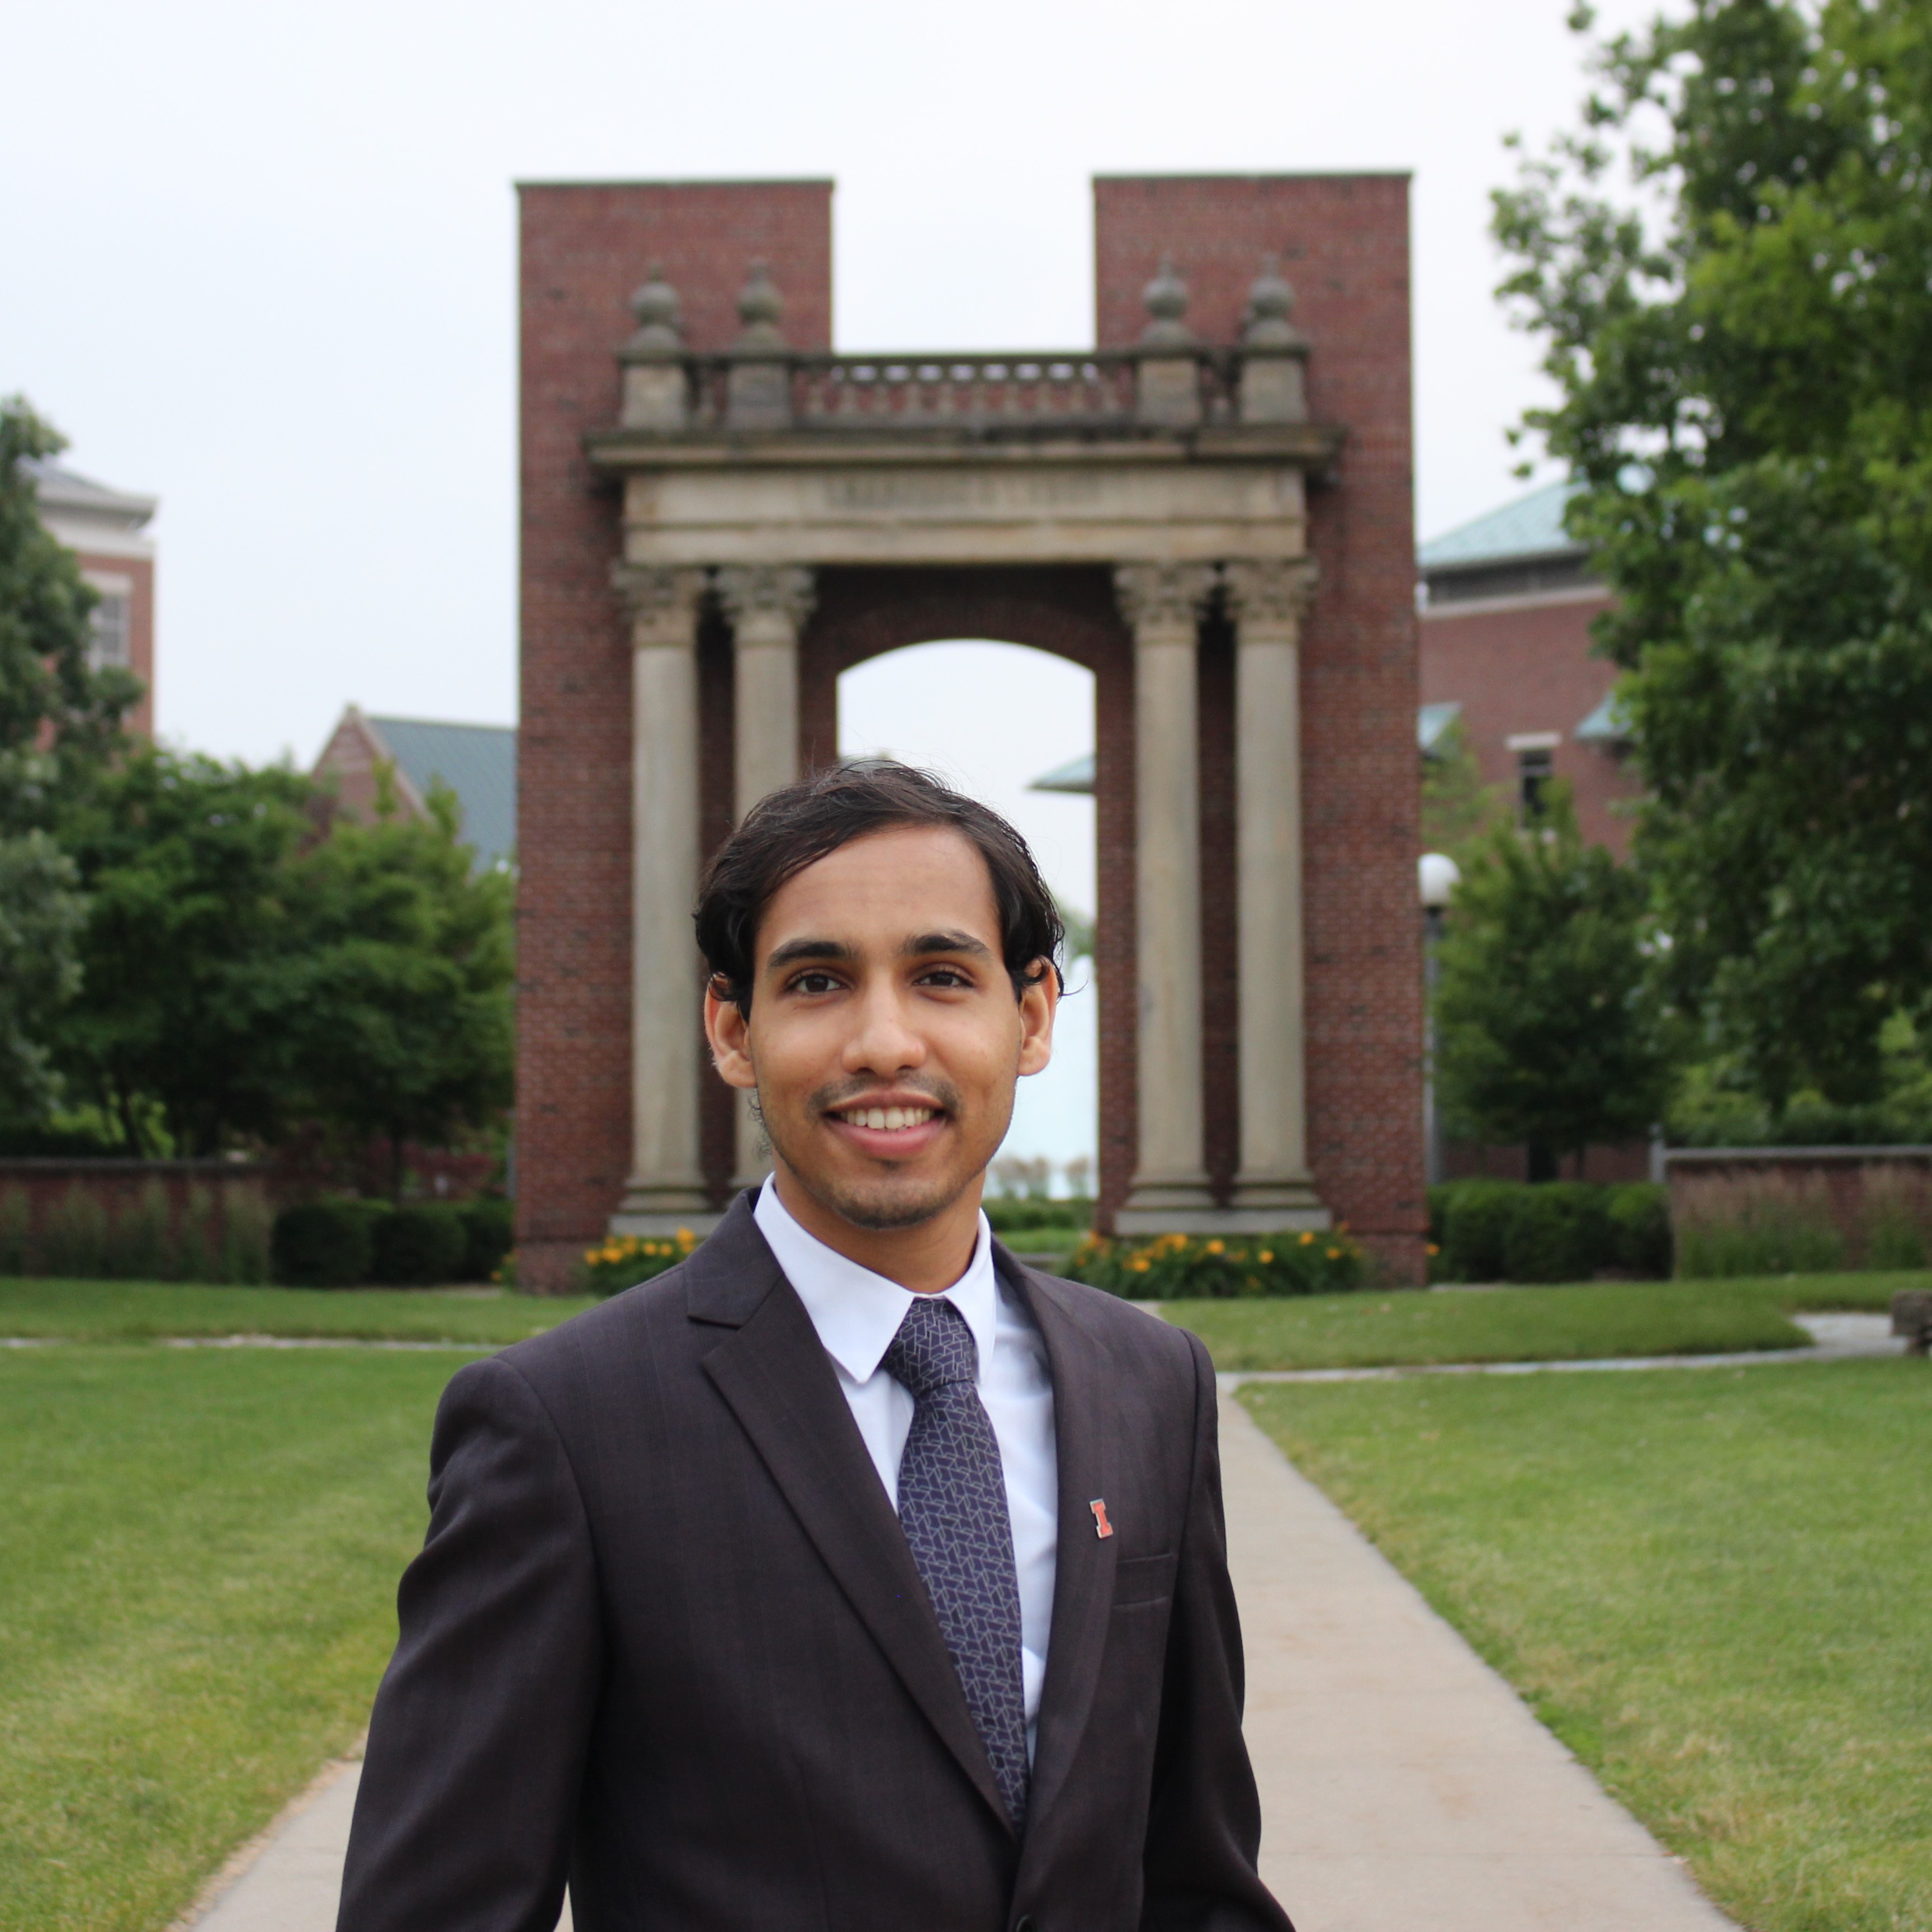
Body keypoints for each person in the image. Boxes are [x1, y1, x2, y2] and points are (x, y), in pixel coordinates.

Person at [337, 761, 1292, 1932]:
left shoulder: (1151, 1387)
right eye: (820, 982)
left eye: (943, 977)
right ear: (734, 1031)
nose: (886, 1042)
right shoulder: (564, 1430)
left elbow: (1198, 1880)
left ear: (1032, 1014)